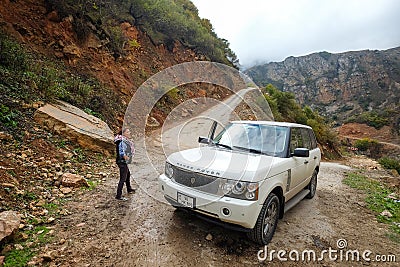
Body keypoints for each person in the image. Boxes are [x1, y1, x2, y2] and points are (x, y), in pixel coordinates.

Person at [114, 128, 135, 200]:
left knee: (128, 175)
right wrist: (126, 158)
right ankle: (118, 195)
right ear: (124, 133)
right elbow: (121, 152)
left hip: (124, 162)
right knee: (123, 178)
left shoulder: (125, 140)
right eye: (128, 132)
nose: (129, 133)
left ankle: (129, 189)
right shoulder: (122, 141)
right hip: (123, 162)